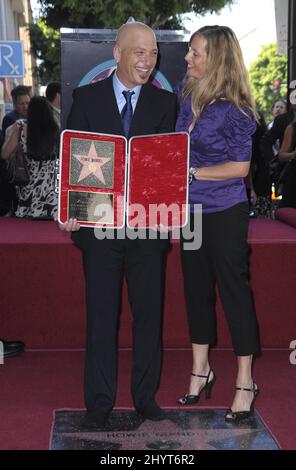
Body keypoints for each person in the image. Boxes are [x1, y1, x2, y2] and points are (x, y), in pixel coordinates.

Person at [58, 22, 178, 426]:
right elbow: (72, 160)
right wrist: (69, 208)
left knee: (149, 318)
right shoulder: (87, 98)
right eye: (139, 52)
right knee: (101, 318)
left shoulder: (165, 104)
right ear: (117, 53)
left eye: (154, 53)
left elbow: (166, 168)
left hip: (148, 229)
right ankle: (99, 402)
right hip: (99, 229)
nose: (148, 61)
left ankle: (145, 398)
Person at [175, 25, 260, 422]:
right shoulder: (187, 97)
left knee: (233, 292)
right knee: (195, 290)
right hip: (190, 212)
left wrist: (192, 173)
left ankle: (245, 381)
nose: (187, 59)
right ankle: (200, 371)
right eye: (190, 52)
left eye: (195, 53)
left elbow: (239, 167)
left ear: (217, 60)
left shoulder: (238, 109)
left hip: (226, 211)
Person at [1, 96, 59, 218]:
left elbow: (5, 154)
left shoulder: (20, 127)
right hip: (51, 187)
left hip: (27, 184)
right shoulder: (55, 129)